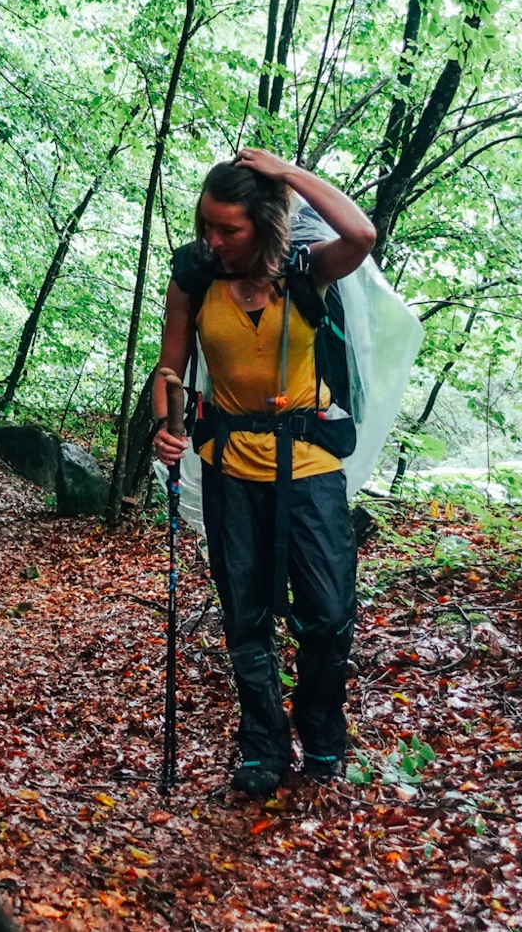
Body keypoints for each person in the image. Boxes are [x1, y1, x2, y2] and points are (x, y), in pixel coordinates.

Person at [151, 147, 376, 798]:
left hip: (308, 467)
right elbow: (171, 365)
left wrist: (288, 175)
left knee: (329, 617)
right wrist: (168, 427)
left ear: (265, 223)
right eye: (206, 225)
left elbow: (361, 234)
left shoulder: (306, 272)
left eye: (230, 229)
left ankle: (323, 739)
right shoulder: (194, 279)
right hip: (231, 470)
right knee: (246, 617)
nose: (213, 240)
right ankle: (262, 750)